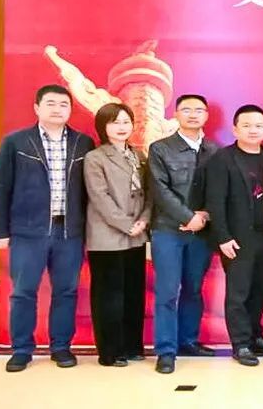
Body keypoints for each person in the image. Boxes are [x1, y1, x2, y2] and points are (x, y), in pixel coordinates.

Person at [0, 84, 95, 372]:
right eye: (50, 103)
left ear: (70, 109)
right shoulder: (16, 142)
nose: (57, 109)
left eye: (63, 104)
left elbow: (91, 190)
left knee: (66, 291)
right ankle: (22, 349)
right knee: (23, 291)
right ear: (37, 107)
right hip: (27, 232)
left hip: (69, 232)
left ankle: (61, 347)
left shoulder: (83, 143)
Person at [205, 105, 263, 367]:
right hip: (236, 238)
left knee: (260, 288)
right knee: (238, 292)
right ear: (235, 129)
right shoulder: (222, 159)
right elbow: (215, 201)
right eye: (246, 125)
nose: (253, 130)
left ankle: (255, 336)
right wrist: (223, 237)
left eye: (258, 125)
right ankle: (241, 344)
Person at [148, 94, 219, 374]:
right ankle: (166, 350)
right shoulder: (160, 148)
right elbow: (159, 190)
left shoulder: (215, 150)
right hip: (168, 230)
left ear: (206, 115)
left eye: (198, 110)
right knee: (167, 291)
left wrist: (204, 216)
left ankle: (188, 341)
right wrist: (189, 217)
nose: (192, 114)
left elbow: (220, 191)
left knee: (194, 288)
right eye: (186, 109)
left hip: (201, 233)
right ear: (176, 114)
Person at [84, 103, 153, 367]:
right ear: (103, 127)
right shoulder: (95, 158)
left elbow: (149, 192)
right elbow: (99, 197)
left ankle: (132, 346)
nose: (122, 127)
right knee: (109, 295)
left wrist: (144, 219)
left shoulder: (139, 155)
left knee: (133, 293)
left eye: (126, 122)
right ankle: (110, 352)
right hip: (107, 236)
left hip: (136, 235)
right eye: (115, 122)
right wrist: (126, 224)